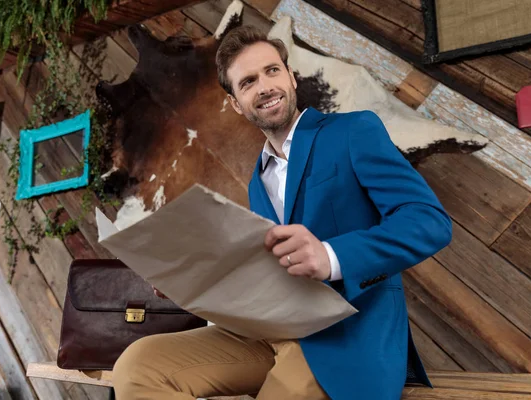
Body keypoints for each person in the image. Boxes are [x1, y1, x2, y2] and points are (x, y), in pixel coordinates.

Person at [112, 25, 452, 400]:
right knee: (138, 364)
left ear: (291, 77)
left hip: (346, 334)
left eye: (272, 71)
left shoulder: (353, 131)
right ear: (236, 104)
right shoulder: (258, 181)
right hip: (269, 331)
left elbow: (428, 220)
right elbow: (269, 273)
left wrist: (331, 256)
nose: (265, 86)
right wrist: (187, 280)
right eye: (248, 82)